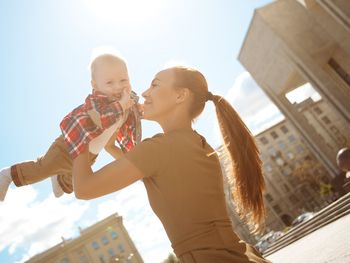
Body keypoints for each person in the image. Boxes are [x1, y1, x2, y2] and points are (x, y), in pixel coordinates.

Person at [73, 66, 270, 263]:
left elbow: (83, 189)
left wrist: (81, 130)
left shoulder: (159, 149)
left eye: (155, 85)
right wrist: (110, 147)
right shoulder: (196, 143)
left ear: (180, 95)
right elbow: (159, 178)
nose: (144, 93)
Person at [0, 52, 141, 201]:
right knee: (43, 168)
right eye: (109, 83)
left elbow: (136, 114)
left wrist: (139, 108)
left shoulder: (127, 101)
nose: (118, 86)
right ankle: (7, 174)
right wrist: (121, 105)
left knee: (71, 180)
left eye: (123, 80)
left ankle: (58, 178)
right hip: (69, 144)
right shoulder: (96, 101)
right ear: (95, 85)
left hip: (89, 153)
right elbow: (100, 119)